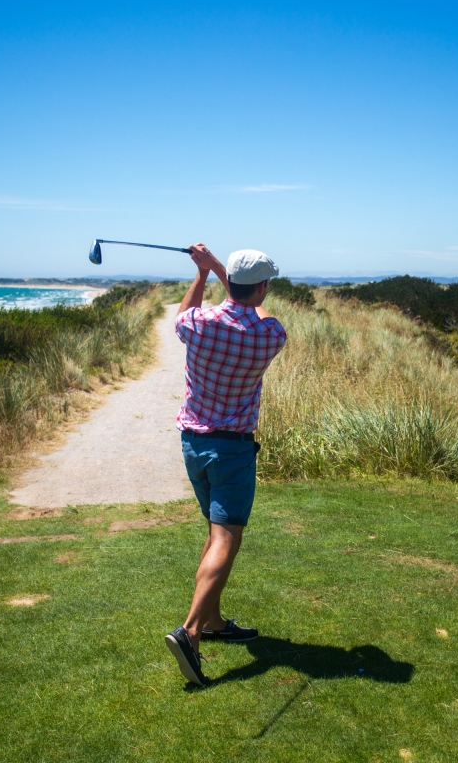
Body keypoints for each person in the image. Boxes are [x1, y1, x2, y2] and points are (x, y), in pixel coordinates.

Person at [165, 243, 287, 686]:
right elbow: (253, 309)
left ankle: (213, 619)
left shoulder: (199, 324)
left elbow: (184, 316)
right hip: (233, 449)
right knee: (226, 538)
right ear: (264, 286)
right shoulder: (270, 333)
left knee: (215, 532)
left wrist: (202, 273)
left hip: (193, 447)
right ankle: (191, 631)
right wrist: (216, 269)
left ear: (229, 282)